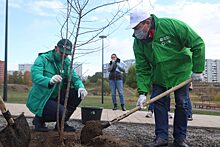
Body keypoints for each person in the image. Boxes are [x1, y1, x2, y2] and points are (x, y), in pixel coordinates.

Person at [128, 9, 205, 147]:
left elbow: (197, 43)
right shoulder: (138, 42)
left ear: (147, 22)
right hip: (159, 75)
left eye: (137, 28)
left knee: (182, 104)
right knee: (159, 104)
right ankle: (161, 137)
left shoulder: (171, 26)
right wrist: (142, 93)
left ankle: (180, 139)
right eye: (133, 29)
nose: (135, 32)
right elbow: (142, 68)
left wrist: (197, 69)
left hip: (180, 73)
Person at [26, 39, 88, 132]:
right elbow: (35, 76)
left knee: (76, 94)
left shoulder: (67, 63)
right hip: (42, 98)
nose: (64, 57)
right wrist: (49, 81)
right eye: (61, 53)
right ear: (56, 48)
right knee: (62, 112)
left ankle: (61, 123)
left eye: (66, 55)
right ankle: (39, 120)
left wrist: (81, 87)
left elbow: (75, 78)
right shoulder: (43, 59)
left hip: (56, 96)